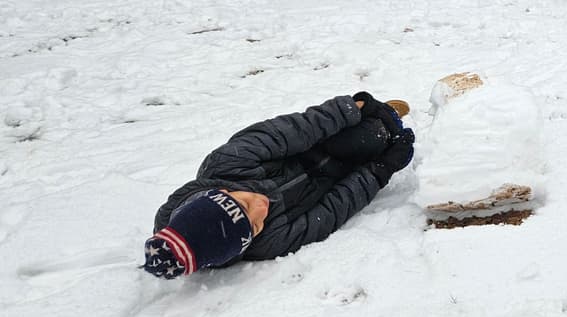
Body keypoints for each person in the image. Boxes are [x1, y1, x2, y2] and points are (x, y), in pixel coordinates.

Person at [142, 92, 415, 279]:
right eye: (256, 226)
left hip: (317, 145)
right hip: (334, 179)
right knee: (378, 146)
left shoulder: (227, 162)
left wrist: (347, 110)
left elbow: (293, 130)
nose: (261, 208)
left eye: (245, 203)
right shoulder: (269, 242)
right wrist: (380, 170)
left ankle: (385, 117)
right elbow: (332, 211)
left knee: (366, 133)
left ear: (220, 192)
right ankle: (384, 134)